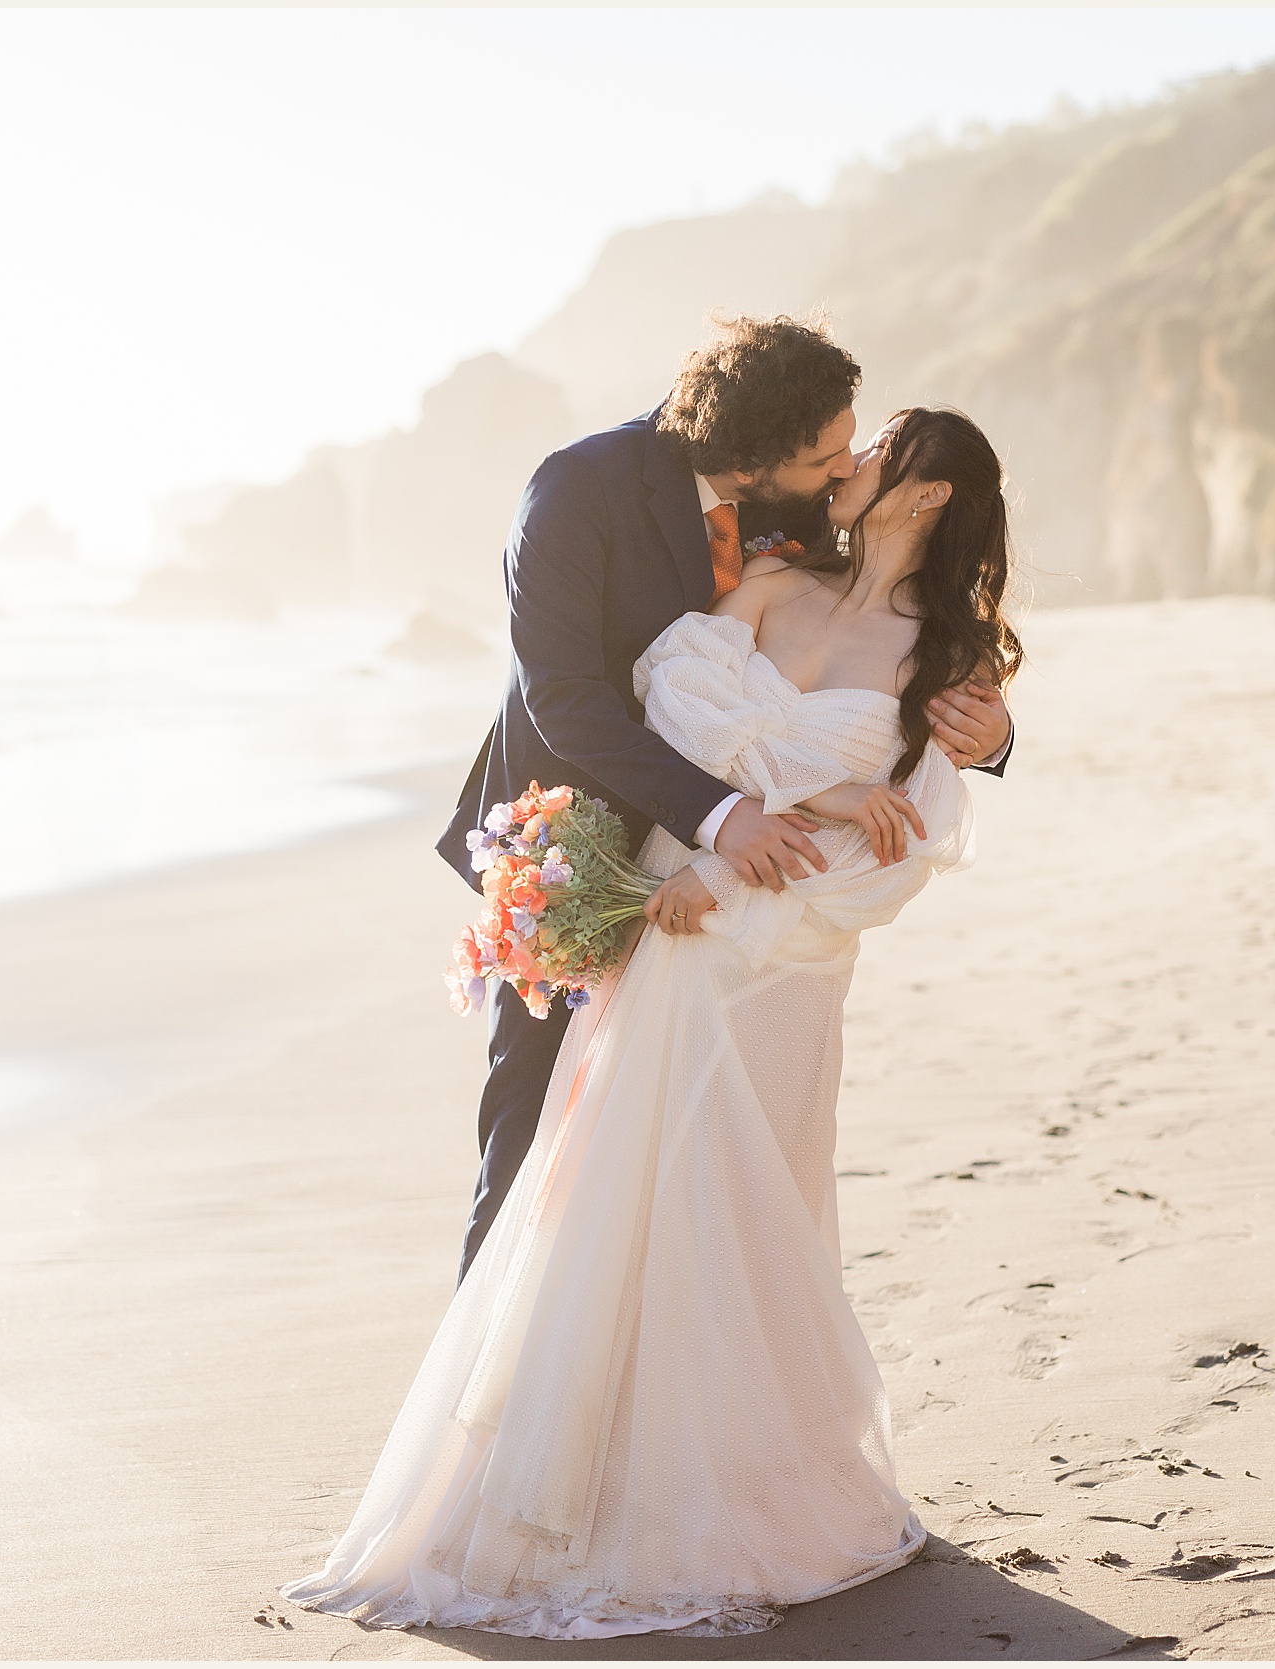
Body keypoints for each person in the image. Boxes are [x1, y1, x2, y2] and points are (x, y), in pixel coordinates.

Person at [285, 406, 1024, 1639]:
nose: (845, 462)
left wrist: (969, 748)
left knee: (747, 1205)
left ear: (932, 493)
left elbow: (908, 831)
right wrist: (731, 830)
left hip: (778, 958)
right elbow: (656, 705)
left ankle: (746, 1480)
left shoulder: (937, 649)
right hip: (660, 905)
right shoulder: (748, 560)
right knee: (587, 1178)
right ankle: (531, 1459)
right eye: (838, 438)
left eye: (874, 445)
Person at [432, 316, 1012, 1280]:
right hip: (577, 843)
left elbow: (880, 658)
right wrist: (722, 817)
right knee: (538, 1124)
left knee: (692, 1153)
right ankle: (491, 1399)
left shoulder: (800, 514)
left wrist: (990, 739)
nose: (842, 473)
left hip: (744, 881)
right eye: (827, 455)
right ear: (752, 457)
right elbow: (566, 701)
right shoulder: (577, 491)